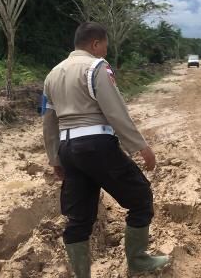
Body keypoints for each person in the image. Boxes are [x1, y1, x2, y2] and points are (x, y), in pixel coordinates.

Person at [42, 22, 169, 278]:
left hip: (68, 149)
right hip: (96, 145)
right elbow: (115, 111)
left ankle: (81, 274)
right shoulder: (96, 67)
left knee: (78, 218)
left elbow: (48, 121)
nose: (105, 51)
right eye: (105, 46)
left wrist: (54, 157)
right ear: (95, 44)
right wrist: (140, 146)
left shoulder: (52, 74)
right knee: (141, 197)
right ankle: (138, 261)